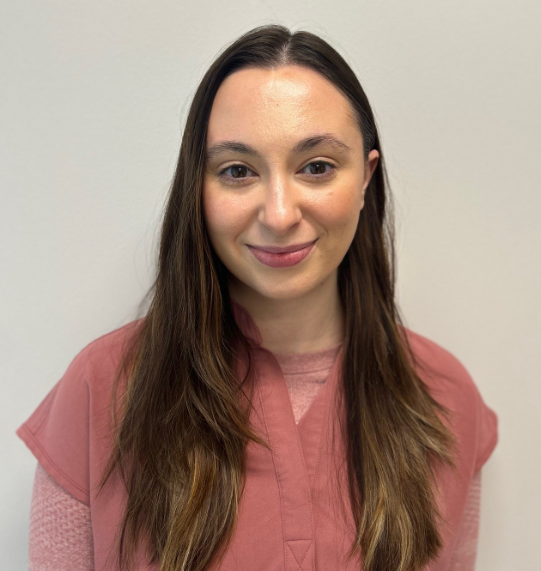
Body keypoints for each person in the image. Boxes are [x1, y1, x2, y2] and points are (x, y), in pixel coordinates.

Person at [16, 24, 498, 571]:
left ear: (365, 178)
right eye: (237, 171)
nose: (278, 214)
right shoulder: (100, 391)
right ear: (198, 188)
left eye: (316, 167)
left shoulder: (446, 402)